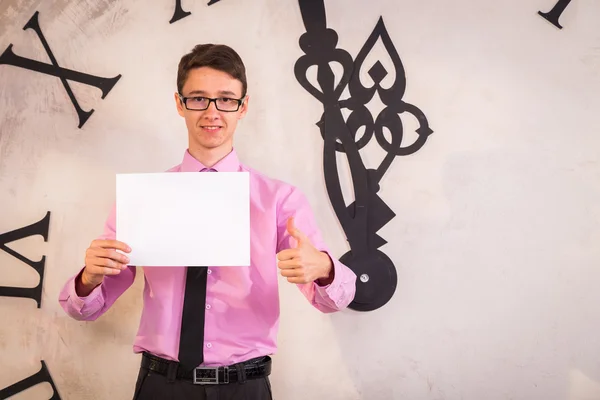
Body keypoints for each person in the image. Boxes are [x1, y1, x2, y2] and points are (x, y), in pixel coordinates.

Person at [58, 43, 357, 400]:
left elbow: (333, 301)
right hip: (161, 386)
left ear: (243, 106)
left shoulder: (280, 199)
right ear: (179, 103)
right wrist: (89, 278)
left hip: (245, 387)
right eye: (198, 98)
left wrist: (323, 266)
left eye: (226, 99)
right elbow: (85, 309)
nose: (212, 111)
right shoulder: (142, 198)